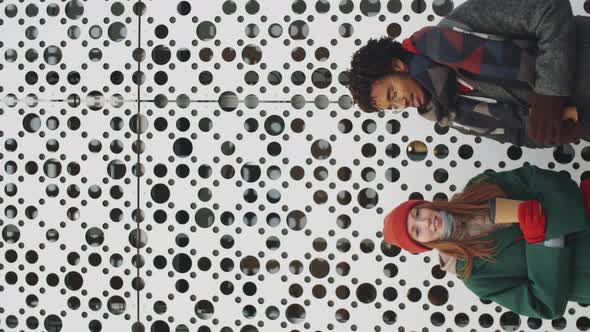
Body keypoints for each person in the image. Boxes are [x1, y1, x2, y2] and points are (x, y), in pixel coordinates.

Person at [345, 0, 590, 148]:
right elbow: (515, 135)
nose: (402, 103)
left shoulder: (458, 28)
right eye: (393, 106)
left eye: (393, 93)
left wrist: (549, 95)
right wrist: (552, 135)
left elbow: (549, 10)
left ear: (397, 66)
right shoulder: (446, 113)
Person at [382, 164, 590, 319]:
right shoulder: (476, 276)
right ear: (423, 245)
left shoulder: (478, 187)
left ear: (425, 205)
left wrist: (547, 219)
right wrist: (541, 242)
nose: (425, 222)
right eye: (417, 231)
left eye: (417, 213)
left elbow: (538, 179)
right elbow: (545, 306)